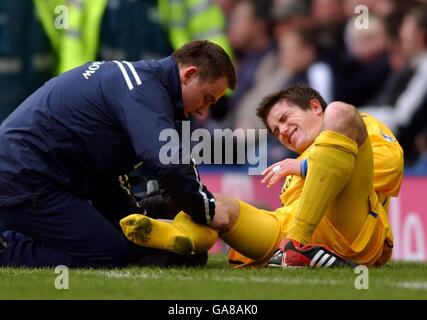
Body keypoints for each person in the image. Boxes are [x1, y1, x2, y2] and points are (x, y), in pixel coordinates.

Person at [0, 40, 236, 268]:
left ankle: (10, 242)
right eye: (206, 98)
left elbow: (105, 173)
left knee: (123, 239)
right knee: (109, 254)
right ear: (189, 74)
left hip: (32, 173)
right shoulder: (142, 89)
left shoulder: (139, 84)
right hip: (25, 176)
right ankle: (7, 251)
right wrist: (208, 209)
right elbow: (170, 161)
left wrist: (139, 217)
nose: (203, 111)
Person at [125, 84, 403, 268]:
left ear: (315, 107)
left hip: (349, 227)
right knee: (218, 206)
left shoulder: (358, 126)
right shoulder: (297, 159)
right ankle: (169, 234)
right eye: (275, 131)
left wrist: (306, 167)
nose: (281, 132)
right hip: (287, 230)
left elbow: (389, 164)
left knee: (342, 111)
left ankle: (297, 244)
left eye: (284, 119)